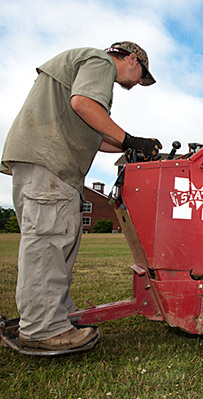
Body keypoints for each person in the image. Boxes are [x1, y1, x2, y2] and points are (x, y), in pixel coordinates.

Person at [0, 41, 162, 351]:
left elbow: (96, 135)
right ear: (131, 58)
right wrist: (130, 138)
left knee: (58, 244)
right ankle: (43, 330)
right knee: (49, 244)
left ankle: (54, 317)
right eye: (141, 74)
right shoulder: (99, 62)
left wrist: (131, 145)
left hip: (46, 163)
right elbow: (83, 104)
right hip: (49, 162)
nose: (139, 82)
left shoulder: (83, 66)